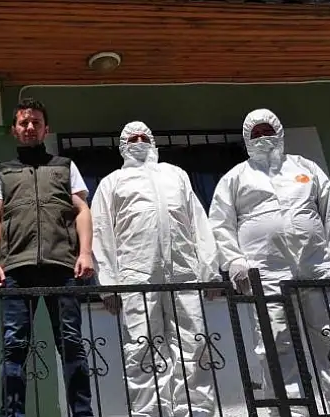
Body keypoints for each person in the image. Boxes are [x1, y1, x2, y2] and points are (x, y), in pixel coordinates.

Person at [209, 108, 330, 416]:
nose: (262, 137)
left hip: (318, 267)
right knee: (275, 346)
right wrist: (235, 262)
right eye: (255, 133)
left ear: (279, 132)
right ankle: (290, 412)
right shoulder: (236, 177)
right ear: (246, 139)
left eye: (267, 130)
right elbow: (220, 223)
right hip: (266, 274)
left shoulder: (305, 168)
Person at [90, 121, 220, 417]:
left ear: (153, 142)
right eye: (132, 138)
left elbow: (197, 222)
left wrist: (210, 271)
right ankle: (149, 412)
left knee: (193, 341)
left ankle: (196, 410)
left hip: (184, 272)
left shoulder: (175, 175)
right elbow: (101, 232)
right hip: (136, 275)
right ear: (122, 146)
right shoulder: (112, 182)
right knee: (142, 346)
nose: (139, 142)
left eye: (143, 137)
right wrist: (108, 285)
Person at [0, 98, 95, 417]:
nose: (30, 127)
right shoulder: (3, 171)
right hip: (17, 268)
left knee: (71, 343)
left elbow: (82, 210)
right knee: (14, 347)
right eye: (24, 122)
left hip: (62, 266)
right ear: (14, 129)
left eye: (36, 122)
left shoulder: (64, 166)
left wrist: (85, 253)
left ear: (47, 129)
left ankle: (82, 413)